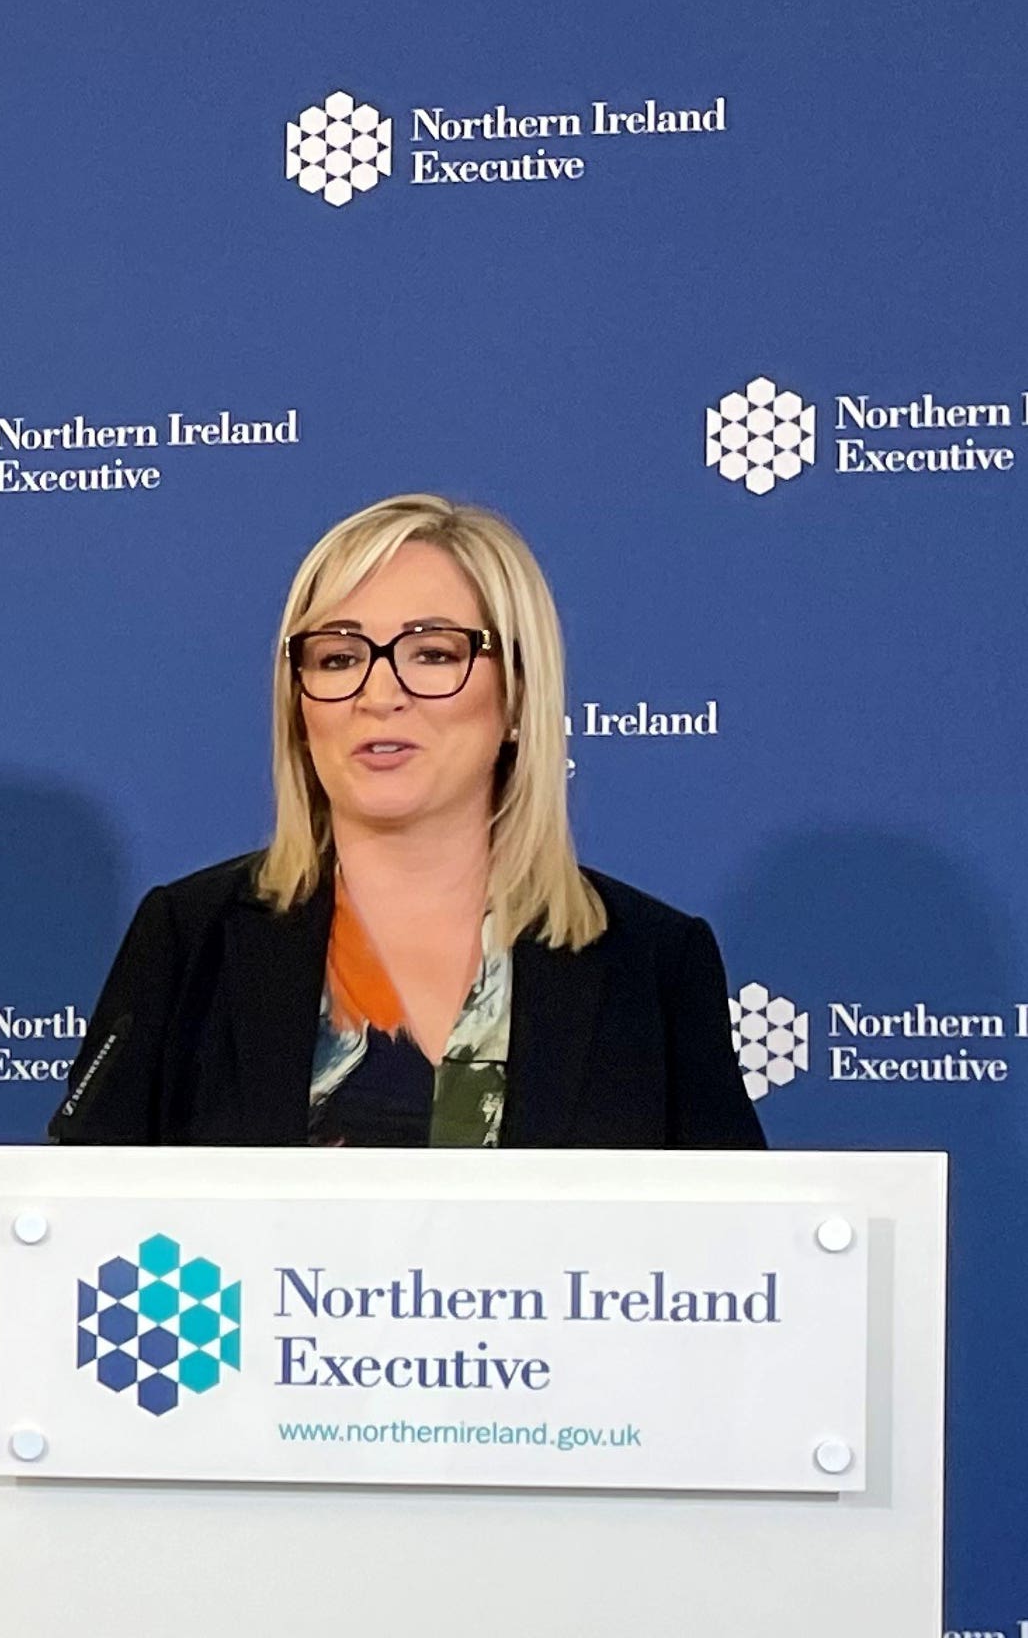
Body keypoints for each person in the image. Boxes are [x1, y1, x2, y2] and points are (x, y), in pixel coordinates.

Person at [52, 493, 763, 1150]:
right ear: (300, 706)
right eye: (338, 657)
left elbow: (732, 1256)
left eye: (433, 653)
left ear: (517, 694)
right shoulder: (189, 941)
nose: (379, 693)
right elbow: (79, 1235)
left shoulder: (653, 965)